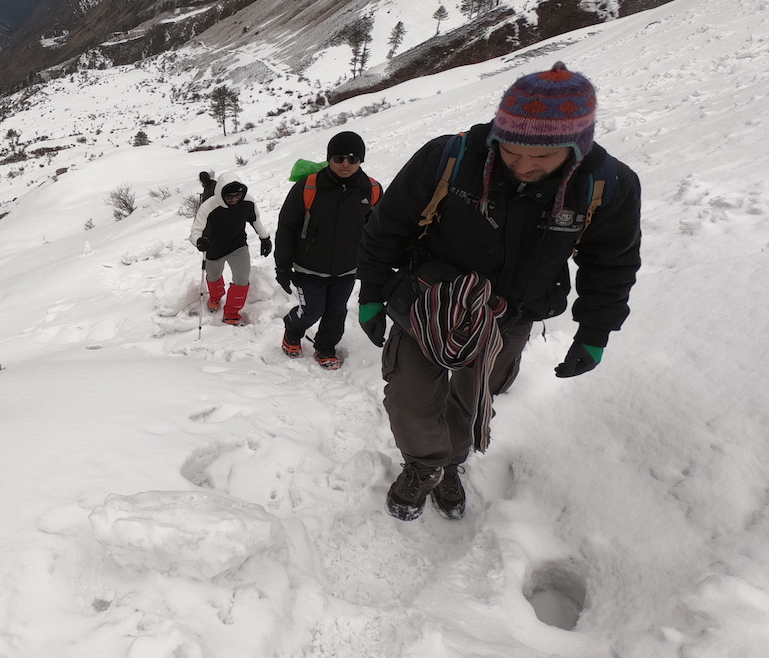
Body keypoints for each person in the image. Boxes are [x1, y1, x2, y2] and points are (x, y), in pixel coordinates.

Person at [355, 62, 641, 522]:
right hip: (429, 304)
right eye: (511, 153)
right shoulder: (449, 158)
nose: (524, 167)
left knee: (473, 401)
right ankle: (424, 466)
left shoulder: (605, 186)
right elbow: (387, 227)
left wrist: (595, 331)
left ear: (576, 147)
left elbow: (611, 262)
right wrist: (371, 291)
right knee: (409, 397)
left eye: (542, 159)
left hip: (510, 318)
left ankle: (451, 463)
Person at [274, 131, 381, 370]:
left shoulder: (371, 190)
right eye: (339, 158)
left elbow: (378, 230)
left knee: (336, 312)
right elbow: (287, 226)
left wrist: (377, 264)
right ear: (329, 158)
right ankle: (292, 329)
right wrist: (282, 264)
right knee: (311, 311)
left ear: (361, 160)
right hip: (308, 267)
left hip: (347, 268)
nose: (346, 164)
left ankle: (326, 346)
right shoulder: (308, 187)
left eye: (353, 159)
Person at [190, 172, 272, 325]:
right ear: (221, 195)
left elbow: (255, 220)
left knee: (242, 280)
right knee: (213, 277)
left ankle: (231, 313)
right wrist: (199, 241)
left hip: (238, 245)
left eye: (237, 195)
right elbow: (195, 232)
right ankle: (215, 298)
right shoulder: (209, 207)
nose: (234, 199)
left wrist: (264, 238)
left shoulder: (247, 202)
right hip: (214, 248)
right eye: (229, 197)